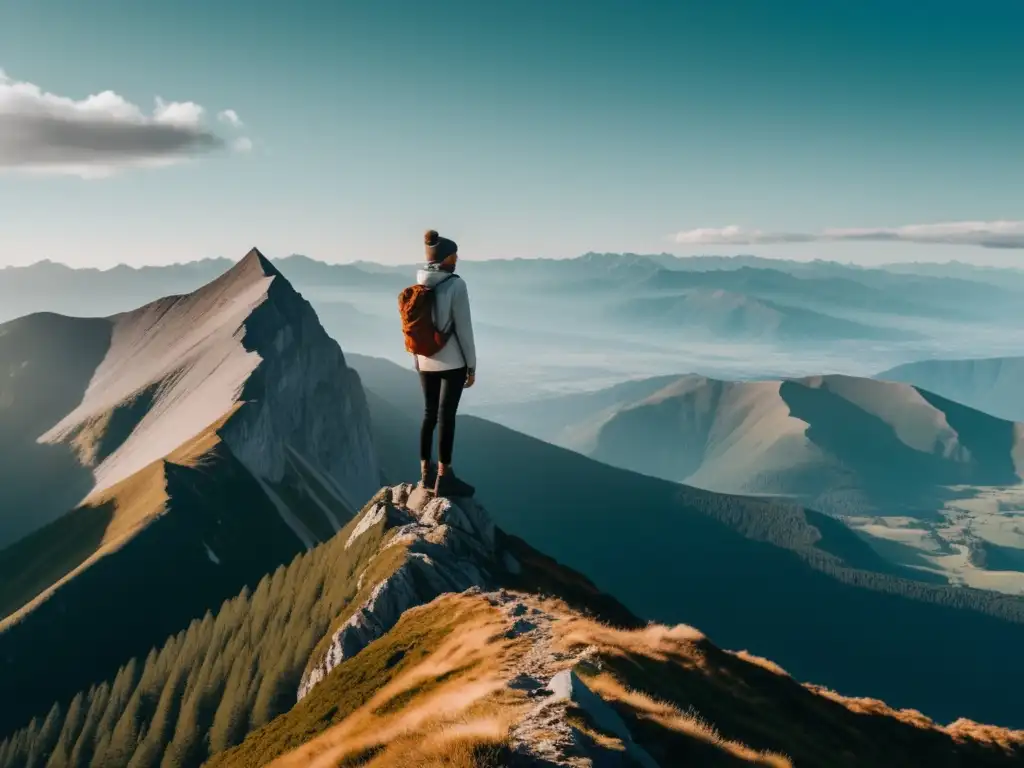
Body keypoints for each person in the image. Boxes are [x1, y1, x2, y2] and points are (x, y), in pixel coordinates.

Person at [412, 229, 477, 497]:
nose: (457, 258)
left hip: (425, 360)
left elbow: (415, 325)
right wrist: (471, 365)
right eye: (454, 254)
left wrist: (417, 359)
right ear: (445, 258)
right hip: (452, 362)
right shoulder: (456, 285)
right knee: (446, 416)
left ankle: (425, 474)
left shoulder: (420, 281)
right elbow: (464, 329)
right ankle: (444, 476)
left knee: (429, 415)